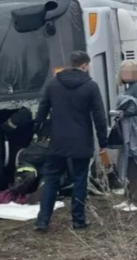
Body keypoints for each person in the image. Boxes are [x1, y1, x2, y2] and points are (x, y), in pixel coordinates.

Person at [34, 51, 108, 232]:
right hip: (81, 140)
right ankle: (78, 220)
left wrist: (38, 131)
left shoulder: (53, 84)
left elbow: (42, 109)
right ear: (84, 65)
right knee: (80, 179)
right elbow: (99, 115)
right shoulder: (90, 86)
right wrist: (103, 140)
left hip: (57, 140)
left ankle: (42, 221)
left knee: (51, 179)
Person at [112, 61, 137, 212]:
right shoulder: (131, 87)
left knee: (134, 164)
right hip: (129, 130)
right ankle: (128, 197)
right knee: (127, 164)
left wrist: (125, 113)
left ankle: (136, 201)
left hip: (136, 132)